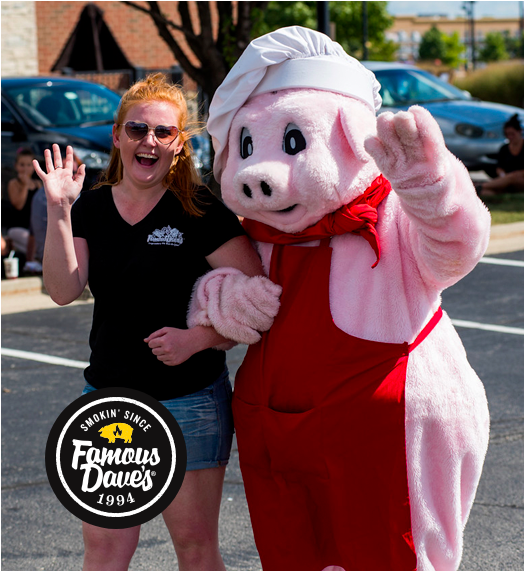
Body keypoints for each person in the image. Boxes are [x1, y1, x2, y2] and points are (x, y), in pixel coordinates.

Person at [33, 73, 266, 571]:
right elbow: (62, 290)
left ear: (179, 145)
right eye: (137, 129)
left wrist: (201, 338)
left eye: (163, 132)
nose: (149, 141)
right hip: (107, 402)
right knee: (105, 550)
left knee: (196, 549)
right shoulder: (90, 207)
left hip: (189, 401)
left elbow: (259, 297)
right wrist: (59, 210)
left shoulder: (199, 210)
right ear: (117, 137)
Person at [4, 147, 41, 254]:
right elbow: (18, 205)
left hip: (33, 229)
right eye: (22, 165)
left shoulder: (37, 184)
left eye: (29, 165)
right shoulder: (13, 183)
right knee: (33, 246)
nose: (25, 168)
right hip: (18, 227)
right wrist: (25, 185)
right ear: (16, 166)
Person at [478, 113, 524, 196]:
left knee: (512, 177)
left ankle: (479, 187)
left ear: (519, 131)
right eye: (507, 135)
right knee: (486, 192)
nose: (510, 137)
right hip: (506, 180)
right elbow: (499, 167)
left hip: (520, 180)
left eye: (512, 134)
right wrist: (503, 176)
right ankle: (482, 190)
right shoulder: (504, 148)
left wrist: (510, 177)